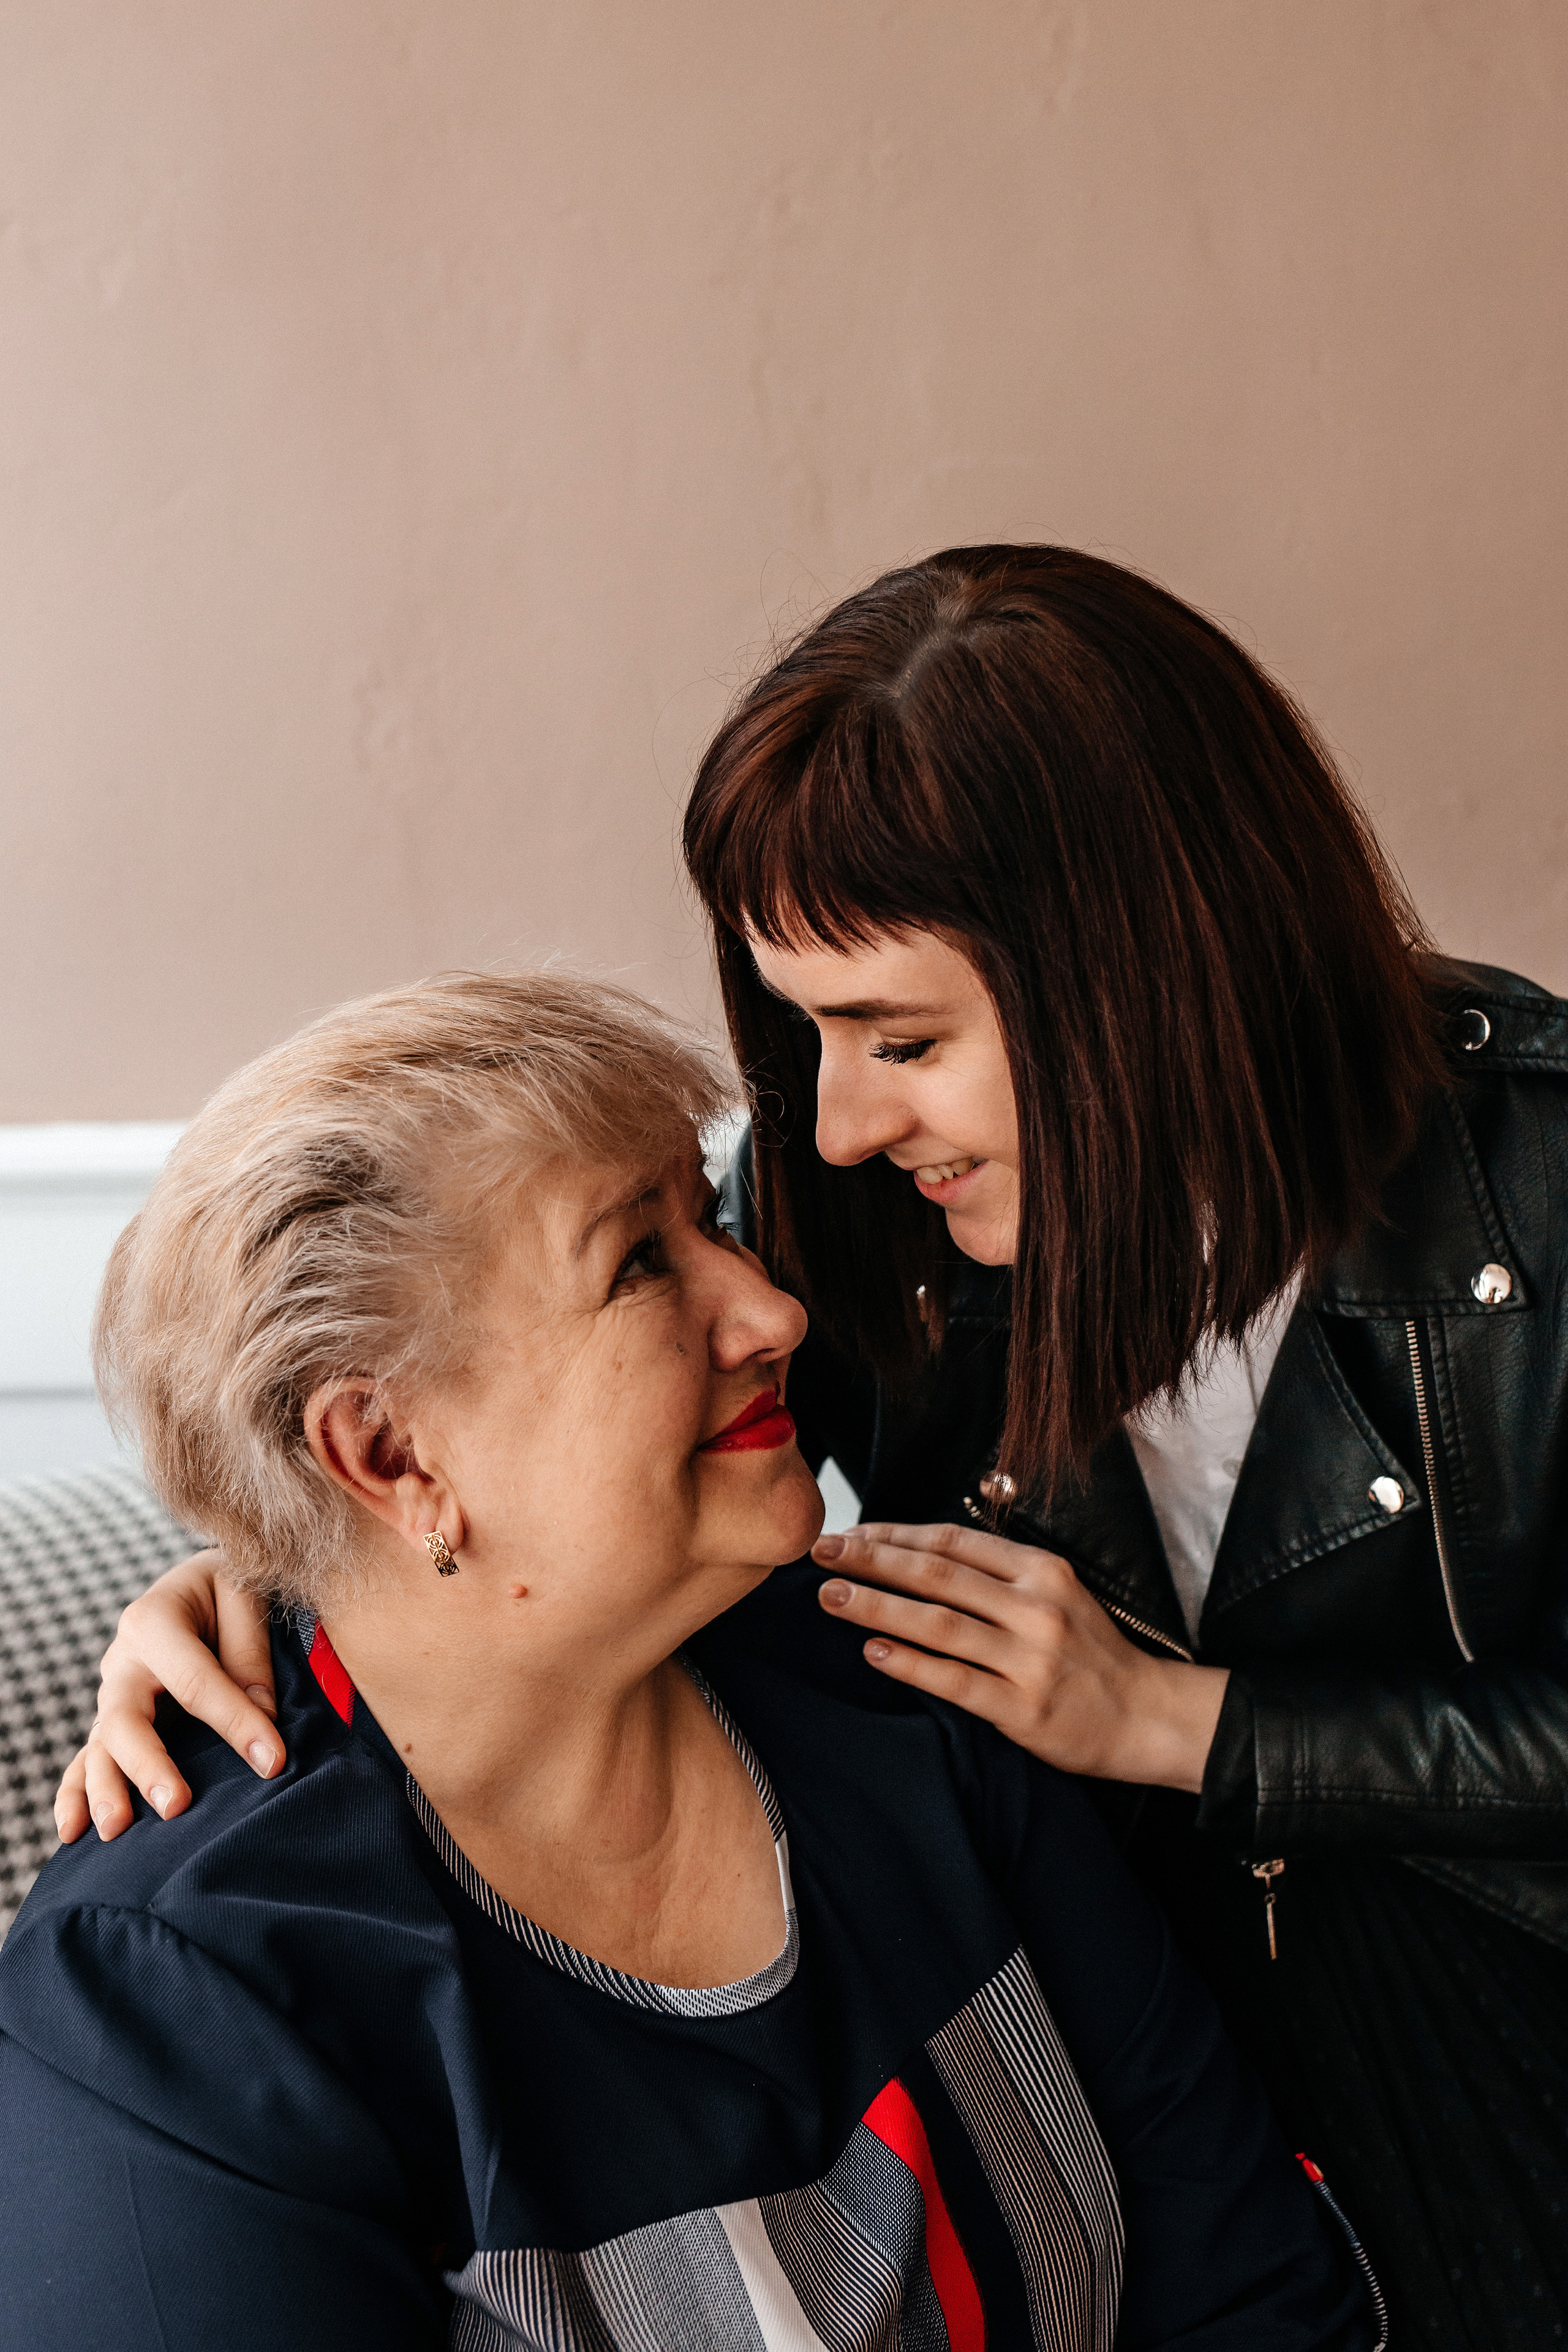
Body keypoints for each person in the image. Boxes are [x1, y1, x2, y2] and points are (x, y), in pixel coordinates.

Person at [57, 546, 1565, 2344]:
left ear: (1149, 972)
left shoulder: (1538, 1188)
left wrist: (1183, 1727)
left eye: (902, 1037)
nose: (835, 1127)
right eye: (808, 1034)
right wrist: (267, 1574)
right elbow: (508, 1407)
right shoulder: (857, 1225)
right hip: (1189, 2133)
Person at [1, 968, 1378, 2351]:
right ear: (389, 1450)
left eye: (708, 1220)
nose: (772, 1310)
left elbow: (1253, 2292)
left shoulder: (903, 1675)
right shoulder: (175, 1999)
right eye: (639, 1264)